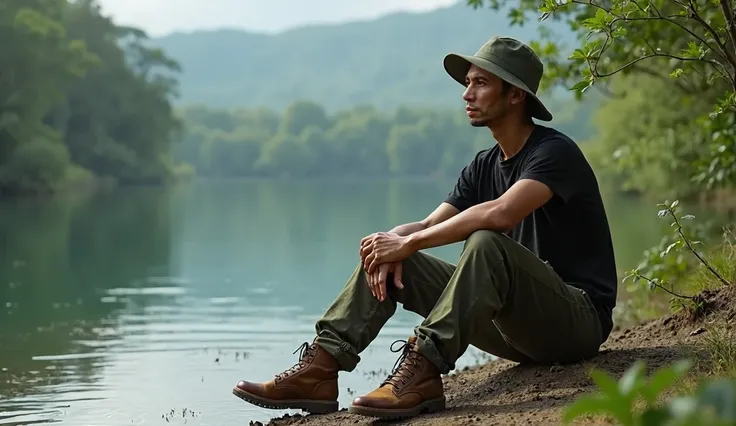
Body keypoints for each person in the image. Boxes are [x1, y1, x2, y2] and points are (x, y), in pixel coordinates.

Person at [232, 35, 618, 420]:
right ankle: (320, 368)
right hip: (515, 329)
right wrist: (392, 241)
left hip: (576, 323)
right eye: (467, 82)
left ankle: (423, 370)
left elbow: (501, 214)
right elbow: (431, 223)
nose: (467, 93)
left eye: (480, 83)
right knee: (398, 250)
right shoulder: (483, 165)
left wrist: (409, 242)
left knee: (486, 242)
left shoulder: (554, 153)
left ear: (516, 95)